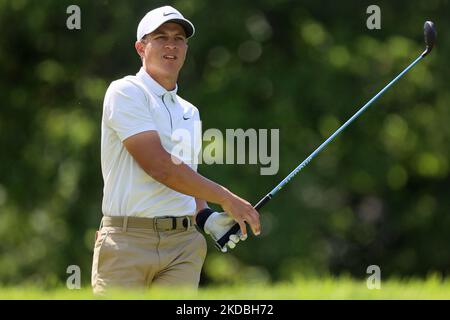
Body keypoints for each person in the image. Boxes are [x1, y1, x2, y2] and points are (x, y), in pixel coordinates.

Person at [91, 5, 261, 294]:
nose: (171, 44)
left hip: (182, 246)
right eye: (160, 37)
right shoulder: (126, 91)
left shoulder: (189, 111)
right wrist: (226, 198)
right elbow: (160, 166)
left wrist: (206, 217)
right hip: (127, 241)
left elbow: (184, 176)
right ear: (140, 47)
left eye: (179, 38)